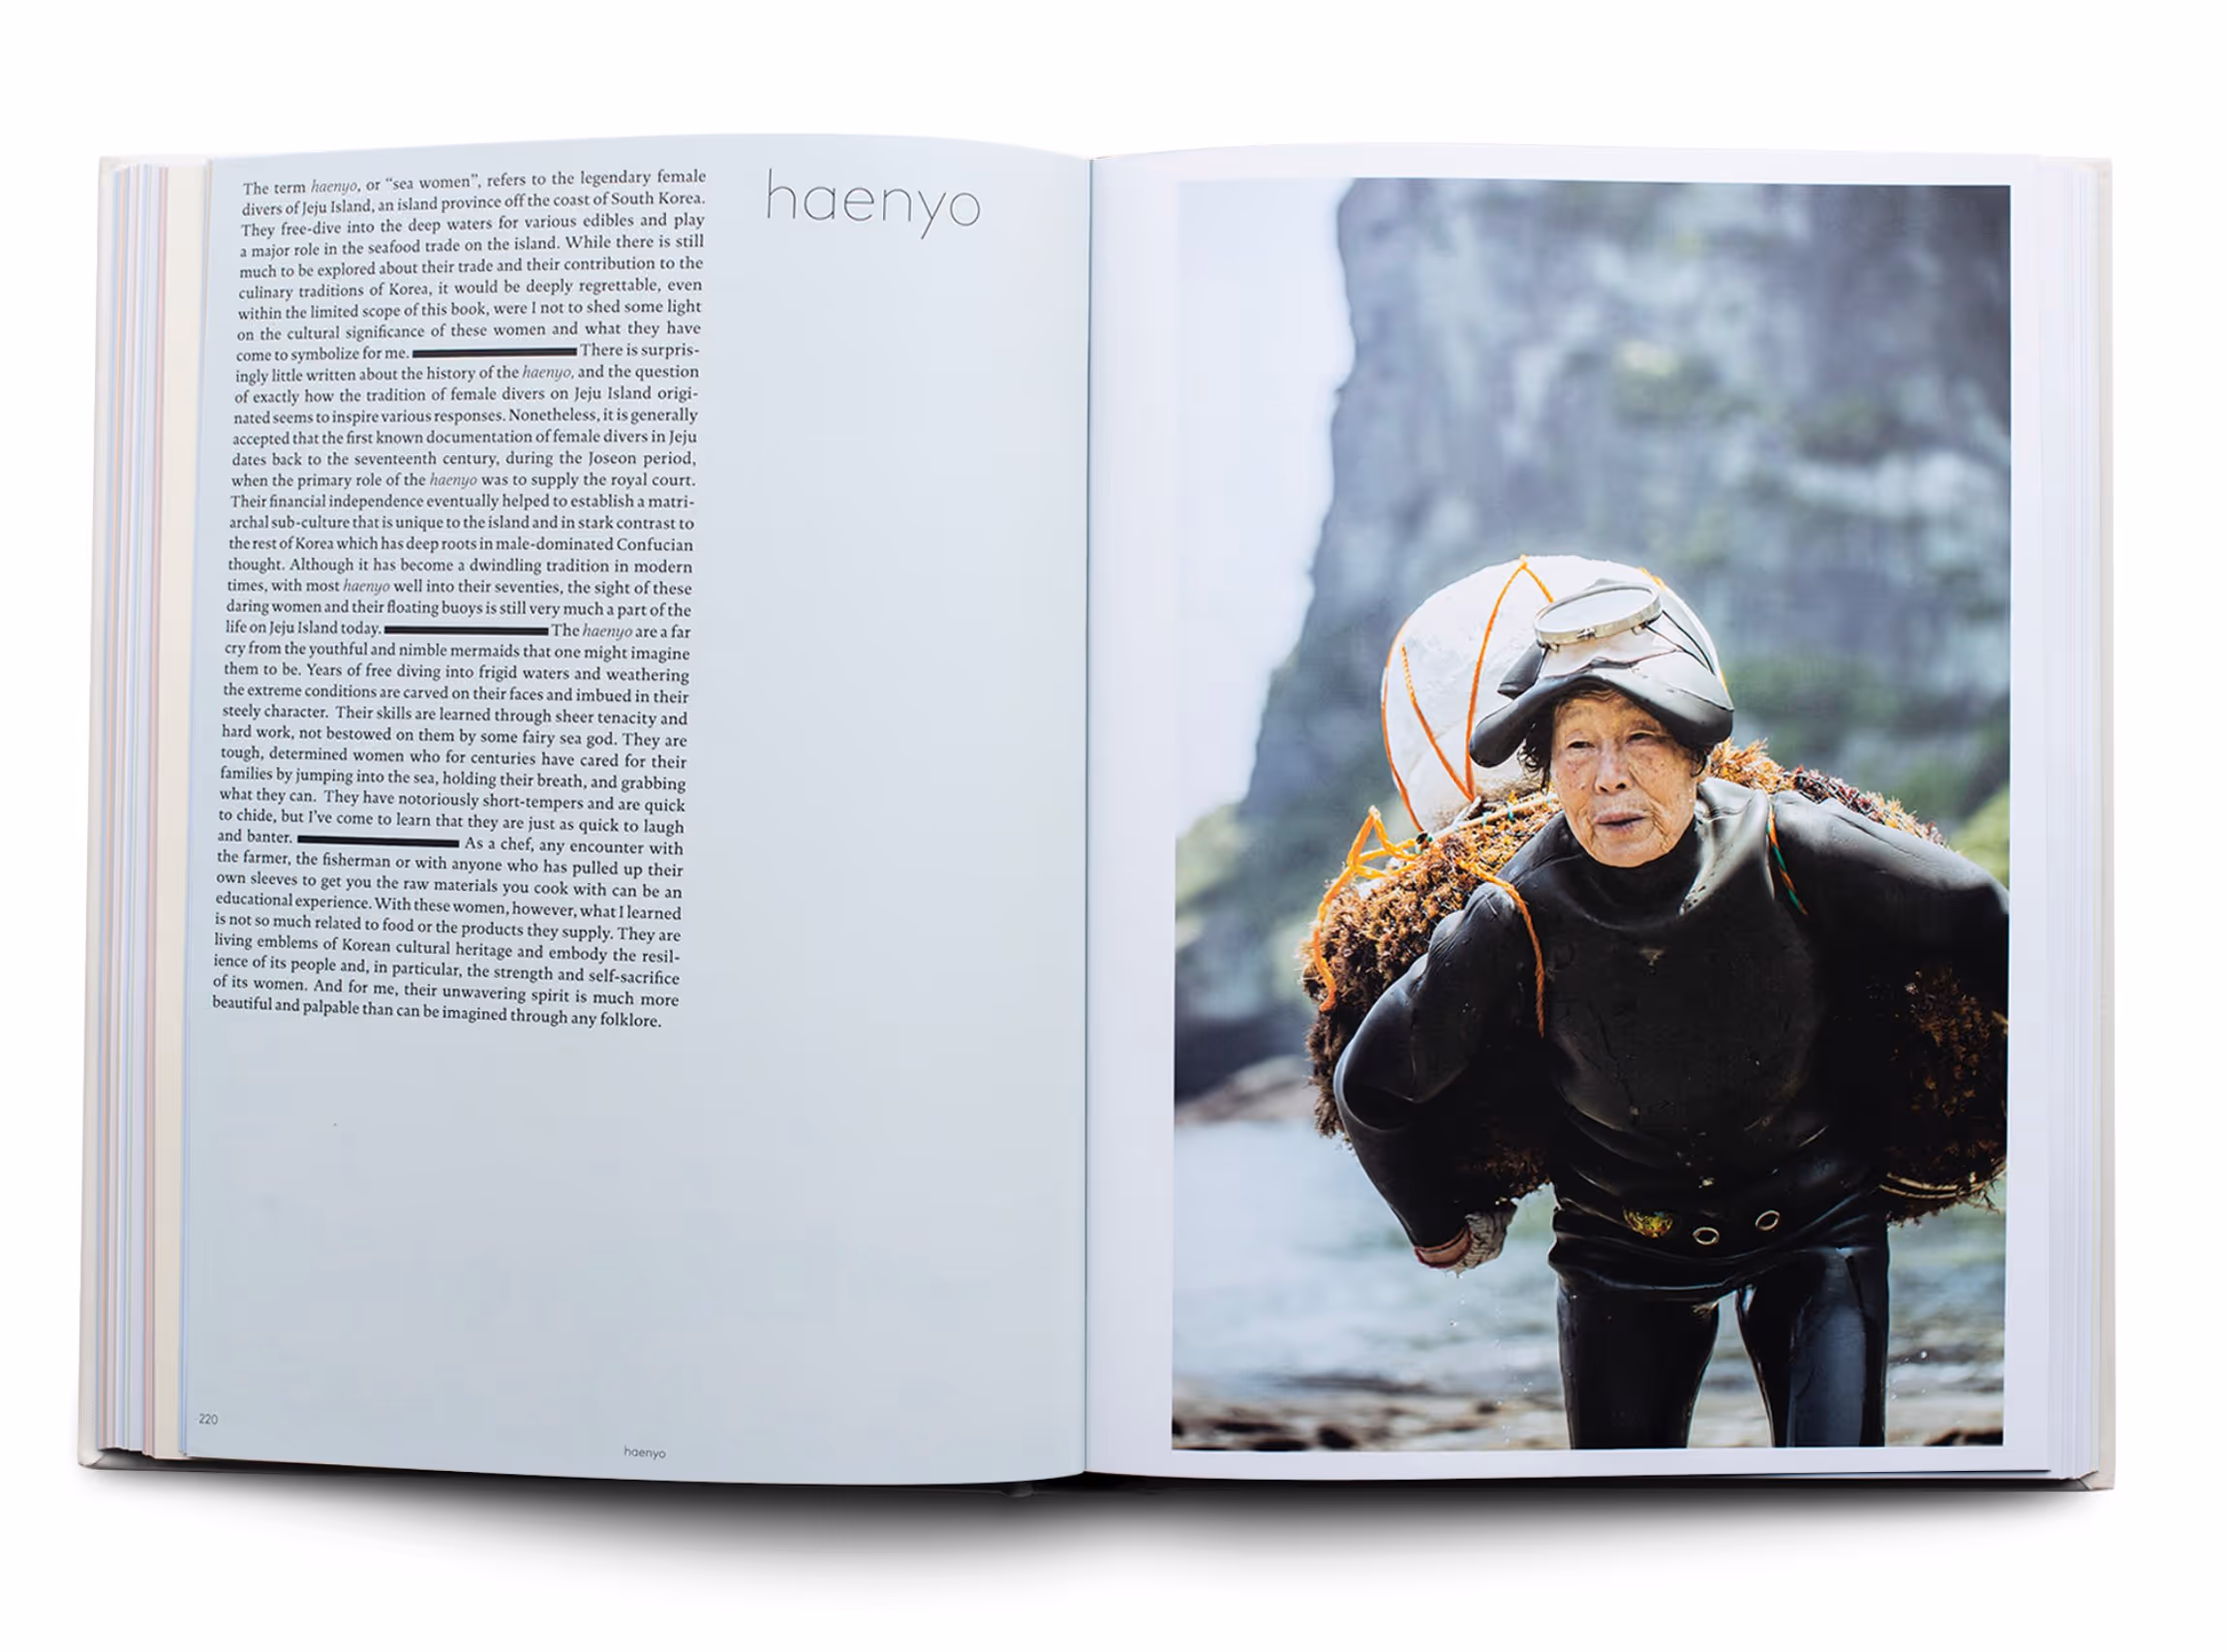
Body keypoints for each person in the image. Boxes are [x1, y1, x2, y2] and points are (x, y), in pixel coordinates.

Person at [1332, 579, 2008, 1449]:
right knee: (1620, 1512)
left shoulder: (1790, 847)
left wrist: (2041, 1107)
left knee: (1834, 1493)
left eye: (1641, 736)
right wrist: (1440, 1230)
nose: (1608, 774)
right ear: (1547, 771)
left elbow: (1984, 920)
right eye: (1577, 745)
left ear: (1696, 754)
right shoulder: (1516, 916)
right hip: (1621, 1252)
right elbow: (1372, 1086)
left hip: (1818, 1224)